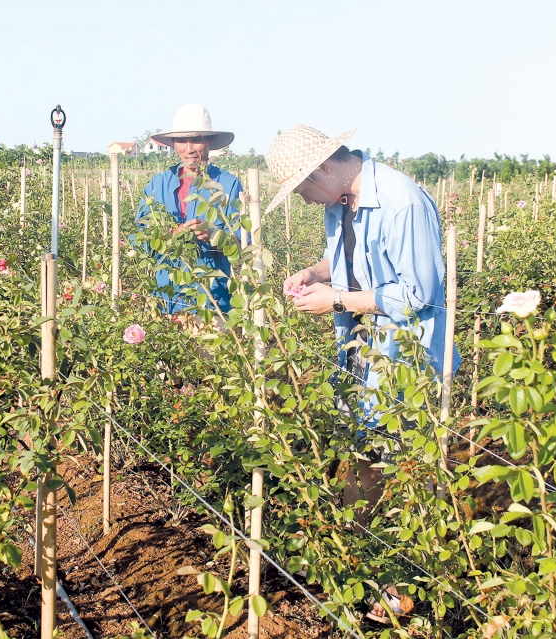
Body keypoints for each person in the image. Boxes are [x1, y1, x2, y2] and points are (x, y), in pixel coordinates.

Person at [265, 124, 460, 623]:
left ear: (324, 168)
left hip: (406, 362)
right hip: (359, 354)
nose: (304, 200)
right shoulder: (341, 203)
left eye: (302, 188)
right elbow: (349, 261)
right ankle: (360, 564)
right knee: (360, 458)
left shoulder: (401, 202)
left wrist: (337, 300)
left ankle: (403, 588)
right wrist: (316, 274)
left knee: (405, 469)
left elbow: (419, 295)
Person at [136, 104, 241, 315]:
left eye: (196, 140)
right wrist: (168, 236)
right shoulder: (158, 185)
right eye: (182, 141)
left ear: (210, 141)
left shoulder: (228, 185)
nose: (189, 149)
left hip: (212, 302)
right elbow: (138, 241)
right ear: (174, 143)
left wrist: (215, 236)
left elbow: (242, 247)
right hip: (166, 300)